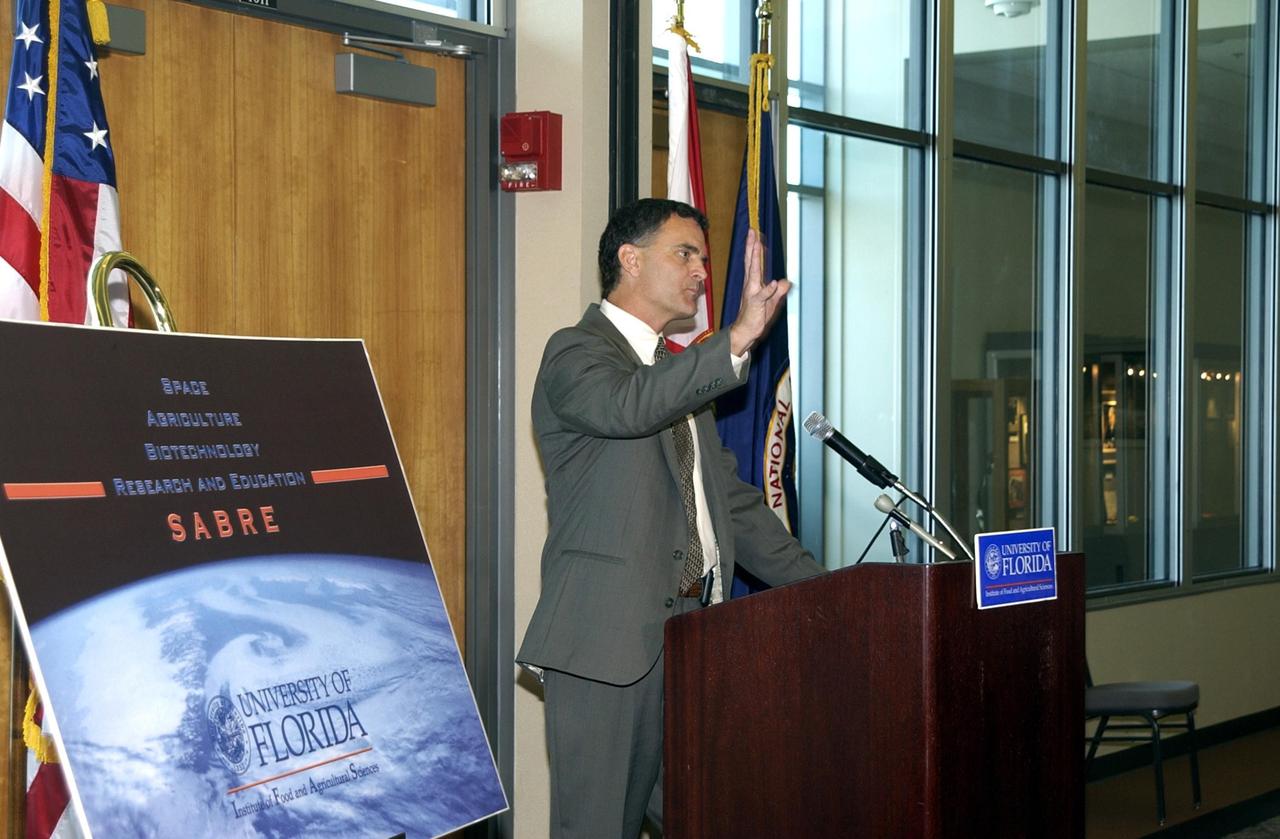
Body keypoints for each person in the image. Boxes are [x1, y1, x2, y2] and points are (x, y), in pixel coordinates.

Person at [517, 198, 825, 838]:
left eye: (706, 261)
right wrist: (734, 339)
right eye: (684, 255)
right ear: (629, 259)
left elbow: (733, 505)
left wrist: (826, 590)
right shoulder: (576, 354)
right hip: (607, 644)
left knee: (710, 817)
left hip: (690, 640)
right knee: (597, 828)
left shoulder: (674, 371)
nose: (700, 274)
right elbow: (628, 408)